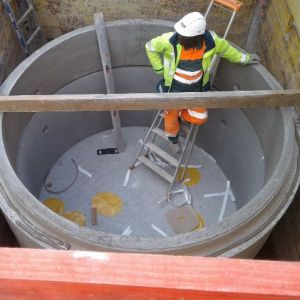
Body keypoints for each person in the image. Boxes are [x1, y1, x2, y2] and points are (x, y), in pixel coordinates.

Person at [145, 12, 260, 153]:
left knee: (201, 117)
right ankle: (173, 139)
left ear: (196, 37)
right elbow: (150, 47)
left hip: (196, 89)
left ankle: (181, 113)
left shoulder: (212, 42)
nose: (179, 37)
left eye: (184, 36)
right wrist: (159, 68)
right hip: (174, 89)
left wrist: (245, 59)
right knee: (170, 118)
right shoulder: (169, 40)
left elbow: (228, 51)